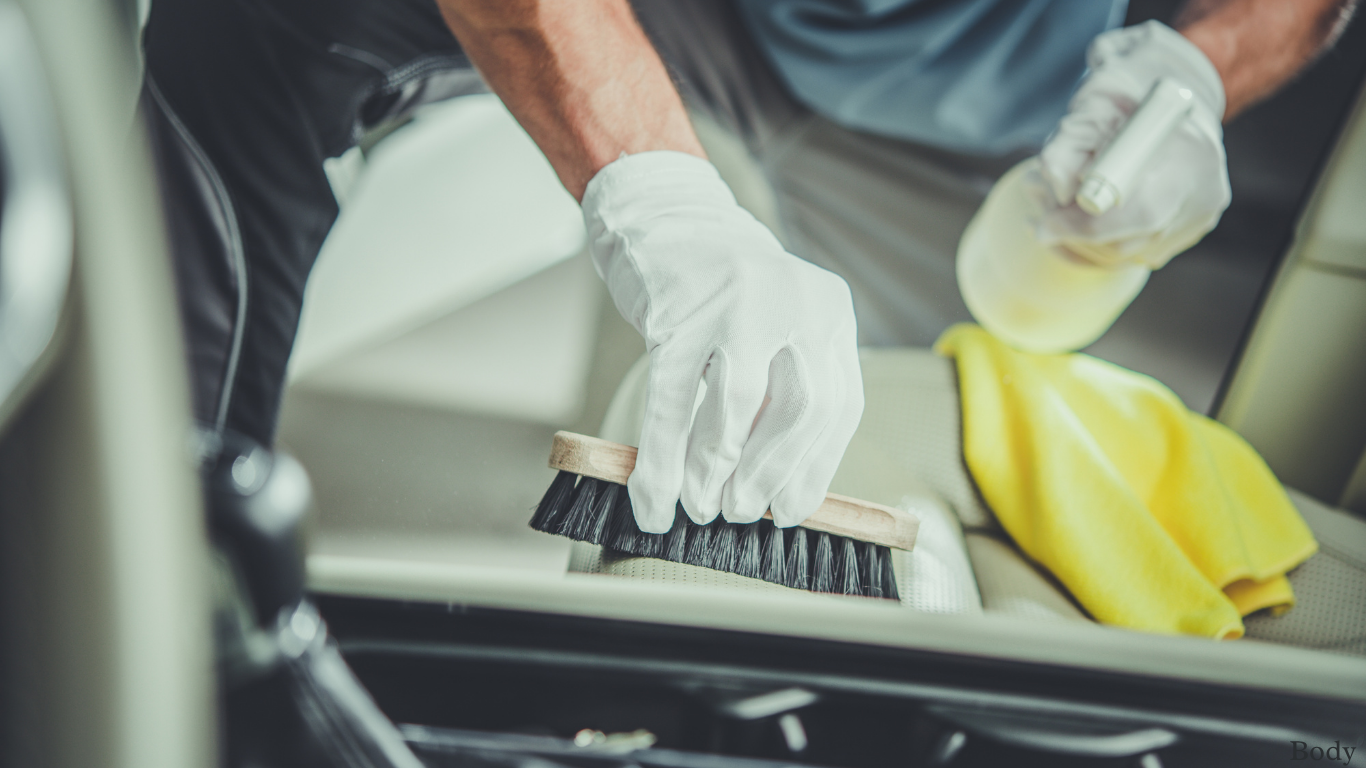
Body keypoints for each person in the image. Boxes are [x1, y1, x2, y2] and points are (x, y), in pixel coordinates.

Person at [141, 0, 1355, 535]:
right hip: (673, 11)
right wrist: (654, 189)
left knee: (922, 480)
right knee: (254, 15)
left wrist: (1192, 79)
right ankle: (169, 531)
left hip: (995, 113)